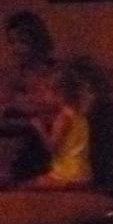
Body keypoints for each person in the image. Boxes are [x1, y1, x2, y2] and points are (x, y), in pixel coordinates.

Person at [12, 60, 93, 189]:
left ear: (59, 94)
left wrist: (39, 127)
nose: (45, 95)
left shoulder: (63, 117)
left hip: (66, 175)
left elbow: (51, 147)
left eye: (47, 91)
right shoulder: (80, 116)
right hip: (83, 174)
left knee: (21, 188)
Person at [0, 11, 57, 185]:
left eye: (23, 42)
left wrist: (20, 108)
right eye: (12, 42)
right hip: (14, 131)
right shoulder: (12, 74)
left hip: (45, 138)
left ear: (38, 42)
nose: (16, 49)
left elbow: (58, 109)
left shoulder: (55, 73)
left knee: (23, 140)